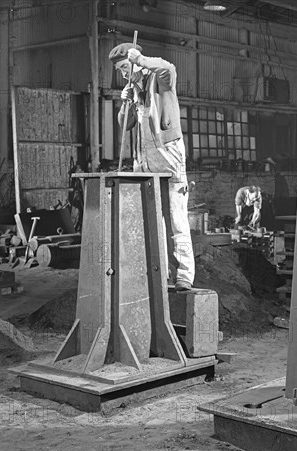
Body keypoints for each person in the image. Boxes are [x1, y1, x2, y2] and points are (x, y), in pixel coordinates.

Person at [109, 42, 194, 291]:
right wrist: (123, 103)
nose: (123, 73)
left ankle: (184, 276)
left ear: (135, 61)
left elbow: (169, 67)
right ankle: (160, 275)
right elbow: (126, 126)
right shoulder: (133, 89)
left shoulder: (161, 81)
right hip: (144, 166)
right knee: (152, 224)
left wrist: (142, 59)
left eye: (125, 67)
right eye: (120, 70)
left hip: (168, 160)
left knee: (177, 221)